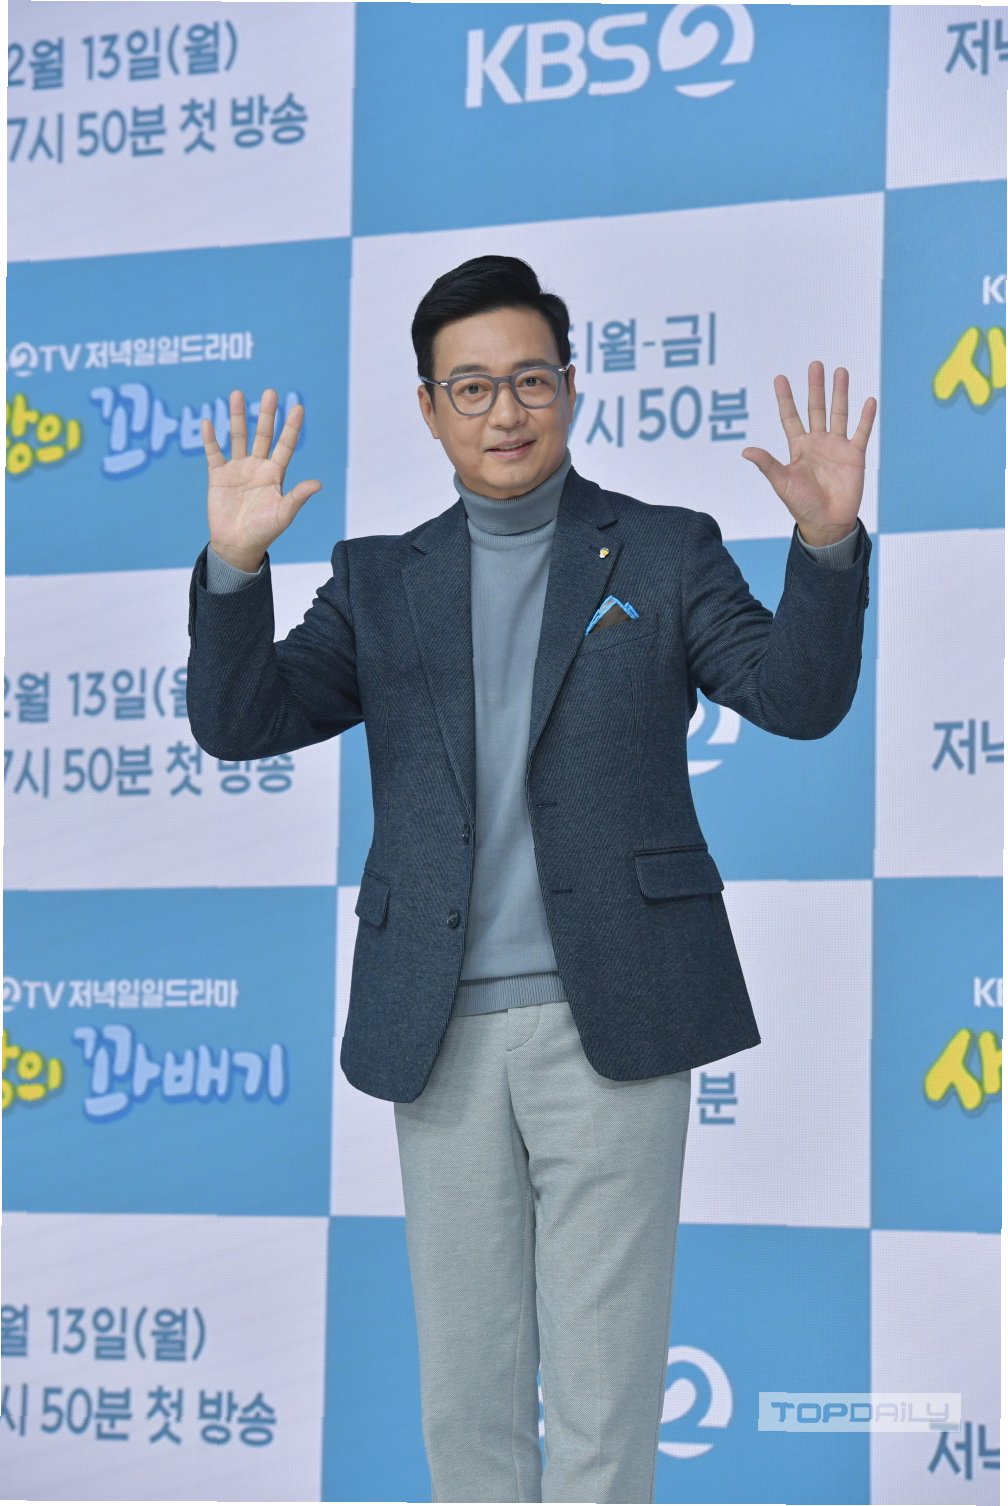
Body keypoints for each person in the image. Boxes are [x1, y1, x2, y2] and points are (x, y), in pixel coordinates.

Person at [187, 255, 875, 1503]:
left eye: (529, 380)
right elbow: (241, 722)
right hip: (437, 1025)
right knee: (468, 1399)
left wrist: (825, 549)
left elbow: (796, 697)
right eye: (471, 387)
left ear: (569, 387)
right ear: (428, 408)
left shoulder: (663, 551)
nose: (504, 412)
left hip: (615, 1012)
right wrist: (235, 570)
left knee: (606, 1401)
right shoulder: (380, 579)